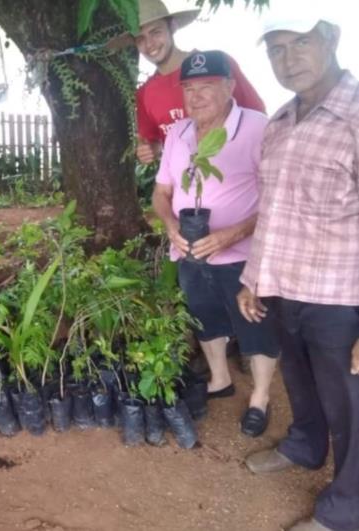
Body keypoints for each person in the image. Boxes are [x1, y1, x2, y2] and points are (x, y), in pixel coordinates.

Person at [239, 7, 359, 531]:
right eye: (276, 49)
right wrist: (253, 277)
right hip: (287, 289)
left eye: (300, 43)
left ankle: (347, 511)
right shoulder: (282, 121)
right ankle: (306, 446)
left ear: (330, 38)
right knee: (302, 386)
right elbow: (274, 209)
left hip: (342, 296)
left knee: (351, 408)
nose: (288, 60)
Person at [153, 50, 279, 437]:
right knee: (204, 316)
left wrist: (231, 234)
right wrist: (170, 223)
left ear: (229, 86)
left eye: (207, 86)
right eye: (189, 88)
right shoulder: (178, 134)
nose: (196, 96)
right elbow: (161, 192)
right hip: (189, 250)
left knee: (256, 325)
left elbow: (279, 198)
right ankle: (220, 379)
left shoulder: (260, 128)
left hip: (243, 254)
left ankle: (260, 397)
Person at [108, 0, 265, 164]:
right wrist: (149, 149)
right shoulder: (144, 94)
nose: (149, 44)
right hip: (184, 185)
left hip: (236, 179)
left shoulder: (218, 64)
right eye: (140, 39)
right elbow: (153, 142)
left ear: (172, 27)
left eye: (156, 32)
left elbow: (258, 115)